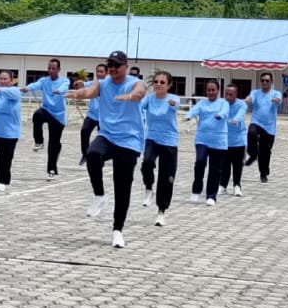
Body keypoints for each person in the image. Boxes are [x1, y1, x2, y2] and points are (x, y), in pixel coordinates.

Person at [66, 50, 146, 248]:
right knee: (92, 154)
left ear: (125, 66)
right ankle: (99, 194)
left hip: (129, 140)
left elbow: (139, 93)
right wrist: (78, 94)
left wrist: (129, 96)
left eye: (116, 65)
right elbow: (89, 92)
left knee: (122, 187)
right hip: (108, 136)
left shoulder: (135, 82)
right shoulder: (103, 84)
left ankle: (117, 230)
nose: (112, 69)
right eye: (110, 65)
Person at [138, 70, 180, 227]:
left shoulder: (173, 99)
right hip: (152, 139)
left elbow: (175, 106)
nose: (158, 85)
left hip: (169, 142)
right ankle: (149, 188)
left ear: (169, 85)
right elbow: (138, 107)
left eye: (162, 82)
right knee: (147, 162)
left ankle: (161, 211)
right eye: (156, 82)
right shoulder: (149, 99)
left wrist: (172, 105)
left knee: (166, 178)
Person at [186, 81, 229, 206]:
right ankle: (196, 189)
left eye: (213, 90)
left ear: (218, 90)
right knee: (200, 162)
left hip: (219, 141)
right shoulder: (202, 103)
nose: (210, 92)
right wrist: (188, 116)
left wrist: (220, 115)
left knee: (215, 170)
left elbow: (225, 112)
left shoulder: (223, 103)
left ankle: (211, 196)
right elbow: (194, 110)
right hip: (202, 139)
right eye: (208, 90)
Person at [25, 58, 70, 178]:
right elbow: (35, 85)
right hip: (46, 110)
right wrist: (27, 88)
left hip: (58, 116)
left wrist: (58, 91)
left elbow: (64, 88)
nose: (50, 70)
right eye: (49, 68)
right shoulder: (44, 81)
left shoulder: (64, 81)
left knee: (54, 145)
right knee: (37, 115)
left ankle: (52, 170)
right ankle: (39, 142)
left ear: (58, 69)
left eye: (53, 68)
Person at [244, 72, 281, 182]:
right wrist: (247, 100)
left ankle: (263, 173)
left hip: (269, 128)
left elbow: (278, 100)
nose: (264, 82)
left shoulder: (275, 93)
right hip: (256, 122)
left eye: (267, 80)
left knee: (265, 152)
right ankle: (252, 154)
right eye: (262, 80)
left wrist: (276, 100)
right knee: (251, 133)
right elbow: (250, 98)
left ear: (271, 82)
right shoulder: (255, 93)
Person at [220, 84, 248, 197]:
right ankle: (223, 185)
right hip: (225, 140)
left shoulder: (241, 104)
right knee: (225, 165)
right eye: (226, 94)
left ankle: (237, 185)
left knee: (237, 165)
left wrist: (235, 119)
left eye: (230, 94)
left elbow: (240, 115)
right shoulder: (222, 104)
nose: (227, 96)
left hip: (238, 140)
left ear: (236, 94)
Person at [79, 62, 107, 165]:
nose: (99, 73)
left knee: (103, 138)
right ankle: (84, 155)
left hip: (104, 117)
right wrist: (79, 83)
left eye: (101, 71)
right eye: (97, 71)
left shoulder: (109, 85)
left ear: (106, 73)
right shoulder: (93, 83)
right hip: (91, 115)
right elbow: (83, 85)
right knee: (84, 131)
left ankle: (101, 157)